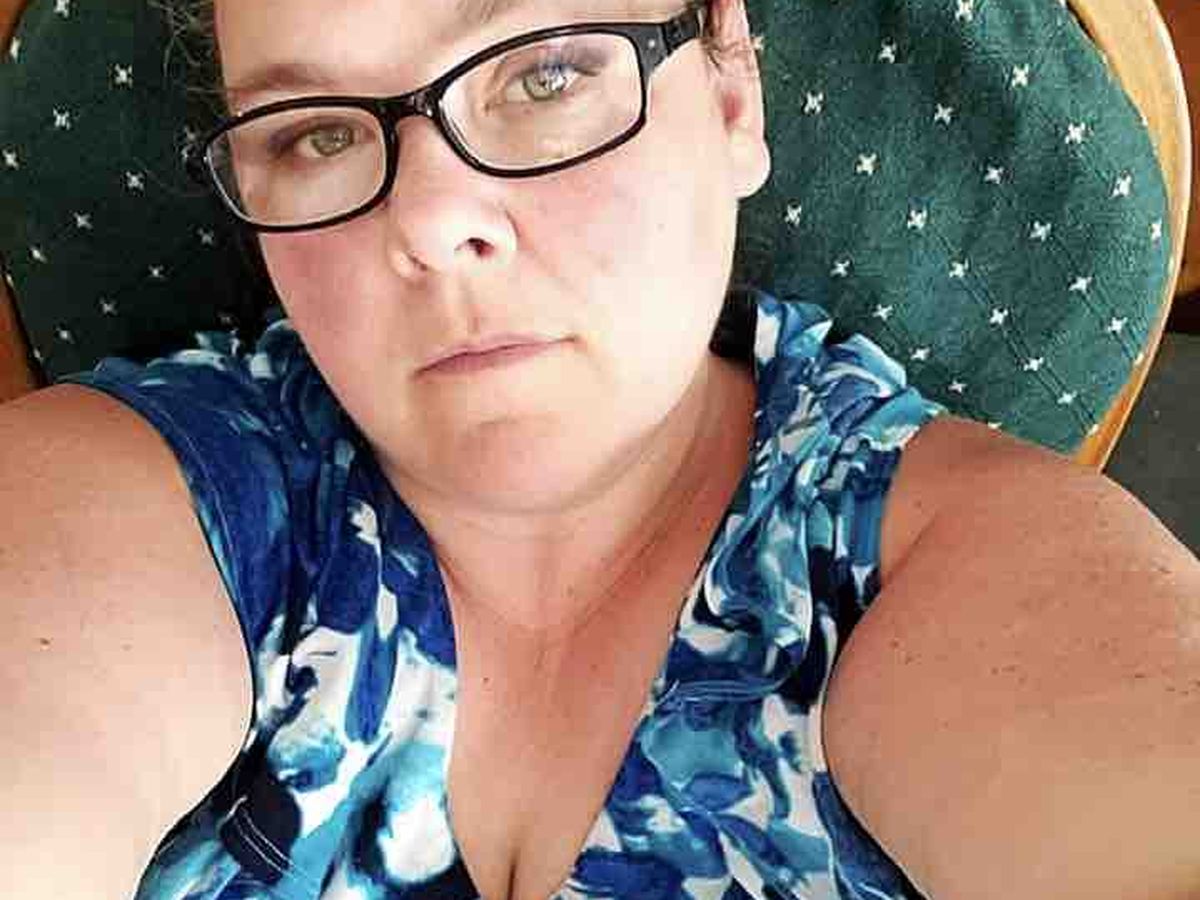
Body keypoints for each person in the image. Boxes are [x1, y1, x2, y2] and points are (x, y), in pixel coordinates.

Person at [2, 0, 1197, 898]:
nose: (431, 223)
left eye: (546, 73)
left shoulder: (946, 558)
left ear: (731, 95)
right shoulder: (150, 491)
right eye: (316, 136)